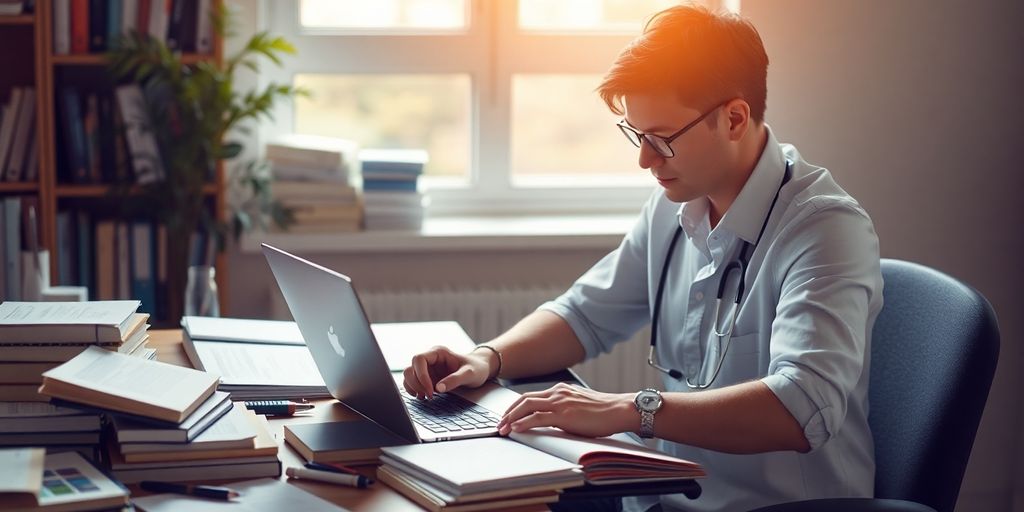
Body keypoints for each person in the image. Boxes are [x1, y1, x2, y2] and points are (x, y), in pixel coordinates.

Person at [402, 4, 882, 511]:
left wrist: (629, 410)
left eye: (662, 139)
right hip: (660, 496)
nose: (645, 160)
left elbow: (802, 406)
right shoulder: (676, 202)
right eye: (637, 135)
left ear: (735, 118)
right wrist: (485, 357)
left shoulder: (825, 229)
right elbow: (585, 315)